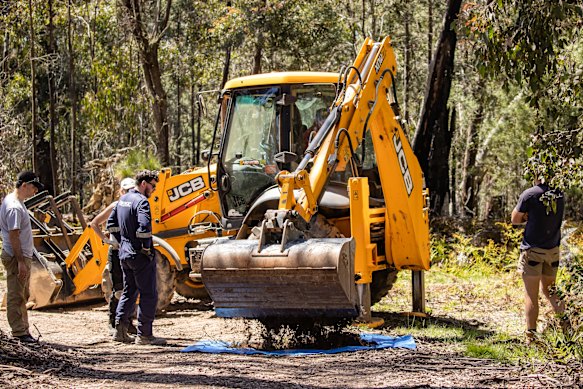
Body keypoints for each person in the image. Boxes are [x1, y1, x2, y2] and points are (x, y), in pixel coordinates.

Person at [106, 170, 166, 345]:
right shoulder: (141, 202)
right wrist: (146, 249)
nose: (153, 190)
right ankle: (145, 335)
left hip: (124, 255)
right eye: (153, 186)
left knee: (129, 291)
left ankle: (120, 331)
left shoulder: (122, 200)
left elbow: (111, 225)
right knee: (148, 294)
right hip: (139, 256)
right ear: (144, 183)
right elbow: (144, 228)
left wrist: (121, 244)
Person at [511, 178, 565, 342]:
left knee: (531, 295)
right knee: (551, 291)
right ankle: (567, 327)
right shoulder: (559, 194)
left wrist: (528, 216)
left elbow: (515, 219)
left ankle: (531, 336)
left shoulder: (530, 194)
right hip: (553, 251)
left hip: (533, 251)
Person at [0, 171, 44, 343]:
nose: (34, 192)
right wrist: (20, 262)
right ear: (24, 185)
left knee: (22, 294)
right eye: (33, 188)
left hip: (22, 255)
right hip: (15, 257)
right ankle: (19, 332)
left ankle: (23, 329)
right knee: (16, 294)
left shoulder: (18, 203)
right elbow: (14, 235)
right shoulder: (14, 207)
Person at [89, 177, 136, 334]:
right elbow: (94, 223)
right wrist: (106, 240)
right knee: (118, 289)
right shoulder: (115, 206)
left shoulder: (136, 205)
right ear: (120, 192)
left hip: (130, 252)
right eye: (126, 190)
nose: (129, 193)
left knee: (131, 289)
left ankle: (127, 322)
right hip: (116, 252)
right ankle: (113, 321)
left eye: (131, 190)